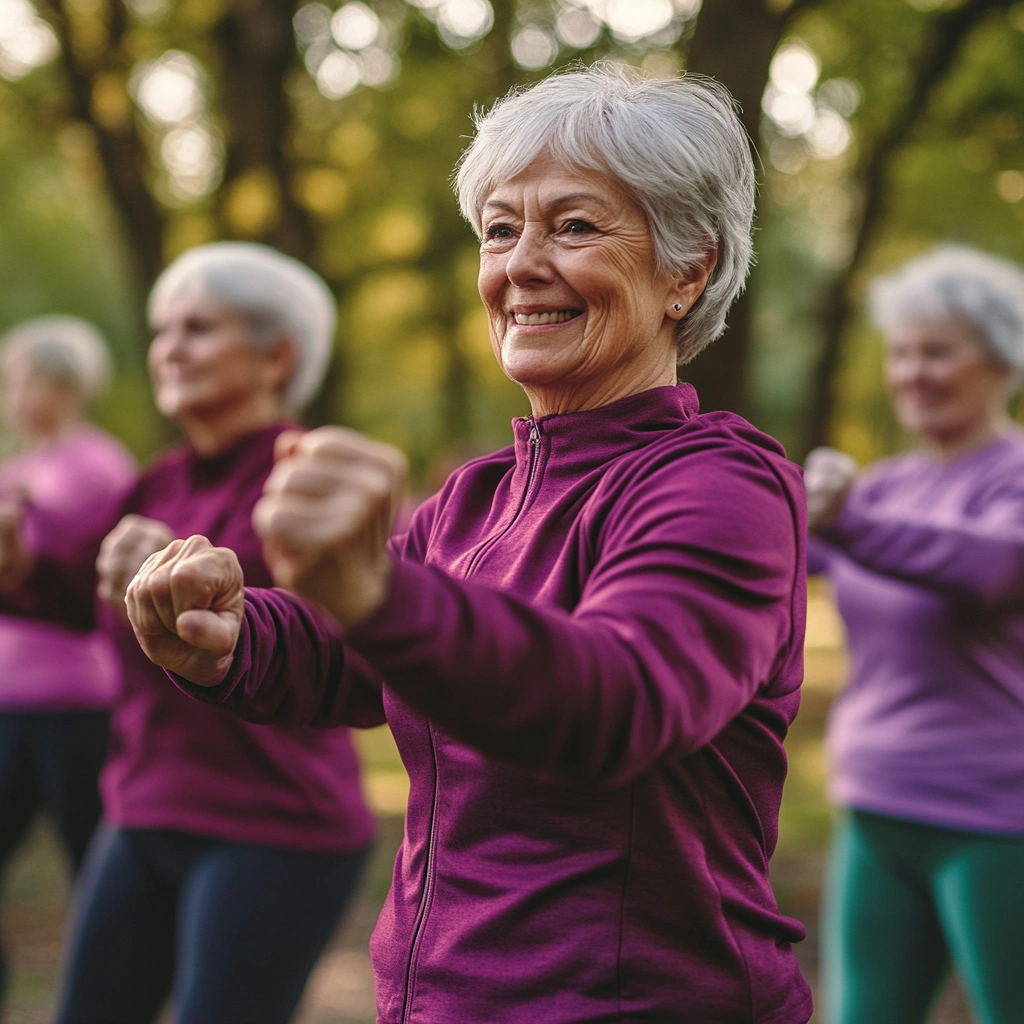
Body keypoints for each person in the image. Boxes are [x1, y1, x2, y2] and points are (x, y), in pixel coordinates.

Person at [128, 68, 812, 1023]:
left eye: (573, 226)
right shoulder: (478, 496)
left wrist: (375, 591)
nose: (521, 264)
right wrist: (227, 633)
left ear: (686, 270)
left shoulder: (722, 483)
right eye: (500, 229)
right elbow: (353, 654)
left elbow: (618, 699)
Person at [0, 245, 375, 1024]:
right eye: (162, 329)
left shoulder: (308, 479)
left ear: (277, 354)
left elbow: (339, 636)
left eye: (198, 329)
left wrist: (193, 582)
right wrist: (16, 565)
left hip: (273, 824)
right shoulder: (160, 479)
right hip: (141, 812)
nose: (168, 347)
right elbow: (82, 594)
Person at [804, 244, 1024, 1024]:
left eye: (938, 351)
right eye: (901, 353)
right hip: (876, 801)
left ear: (998, 359)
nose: (913, 373)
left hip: (996, 815)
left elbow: (990, 568)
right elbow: (768, 559)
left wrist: (844, 515)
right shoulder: (887, 484)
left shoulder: (1014, 476)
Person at [0, 317, 135, 1005]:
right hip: (7, 702)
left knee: (93, 860)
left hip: (76, 701)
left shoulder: (97, 464)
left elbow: (84, 573)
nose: (12, 394)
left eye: (25, 378)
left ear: (67, 385)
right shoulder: (13, 467)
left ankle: (108, 995)